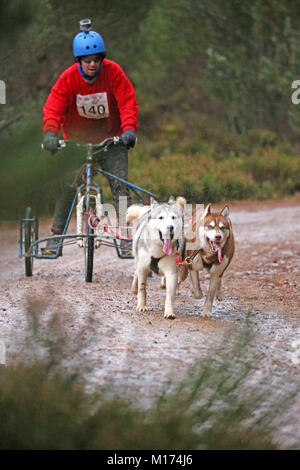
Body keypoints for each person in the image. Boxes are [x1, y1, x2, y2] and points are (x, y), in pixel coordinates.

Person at [42, 19, 138, 256]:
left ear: (102, 58)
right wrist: (50, 134)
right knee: (66, 185)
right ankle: (56, 237)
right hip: (75, 142)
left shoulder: (114, 73)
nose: (93, 64)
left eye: (97, 59)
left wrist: (129, 129)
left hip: (110, 141)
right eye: (87, 60)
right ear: (79, 61)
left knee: (120, 187)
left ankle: (126, 238)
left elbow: (127, 101)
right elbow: (53, 107)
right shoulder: (67, 79)